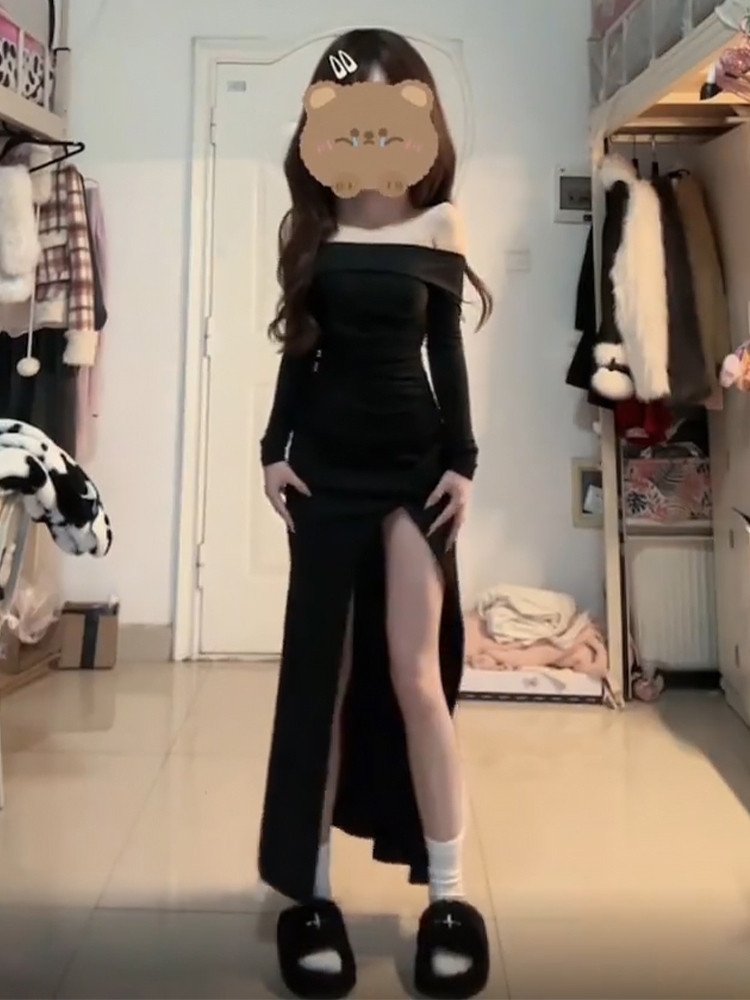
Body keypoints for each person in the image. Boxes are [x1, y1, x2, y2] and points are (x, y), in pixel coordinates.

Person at [258, 27, 493, 1000]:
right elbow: (299, 350)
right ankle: (311, 899)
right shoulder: (312, 227)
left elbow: (448, 349)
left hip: (413, 470)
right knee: (323, 680)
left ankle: (450, 897)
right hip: (324, 471)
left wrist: (465, 462)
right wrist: (271, 448)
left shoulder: (441, 224)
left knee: (417, 678)